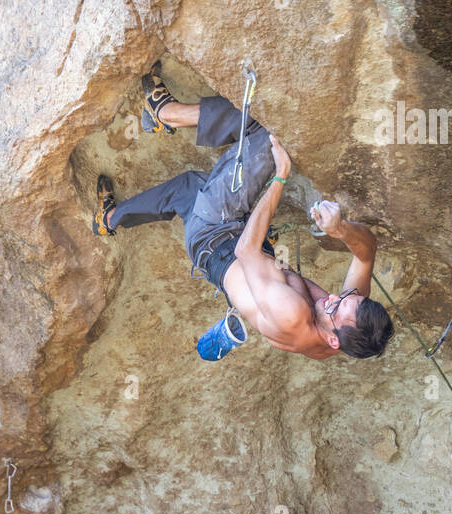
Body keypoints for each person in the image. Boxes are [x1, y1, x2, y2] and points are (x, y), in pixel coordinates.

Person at [92, 63, 394, 362]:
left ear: (332, 338)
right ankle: (109, 219)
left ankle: (167, 113)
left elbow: (246, 250)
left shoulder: (292, 315)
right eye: (344, 298)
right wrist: (341, 230)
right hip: (224, 258)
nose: (332, 298)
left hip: (219, 236)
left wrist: (280, 176)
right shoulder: (345, 332)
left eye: (334, 309)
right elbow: (367, 253)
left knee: (272, 133)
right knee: (189, 189)